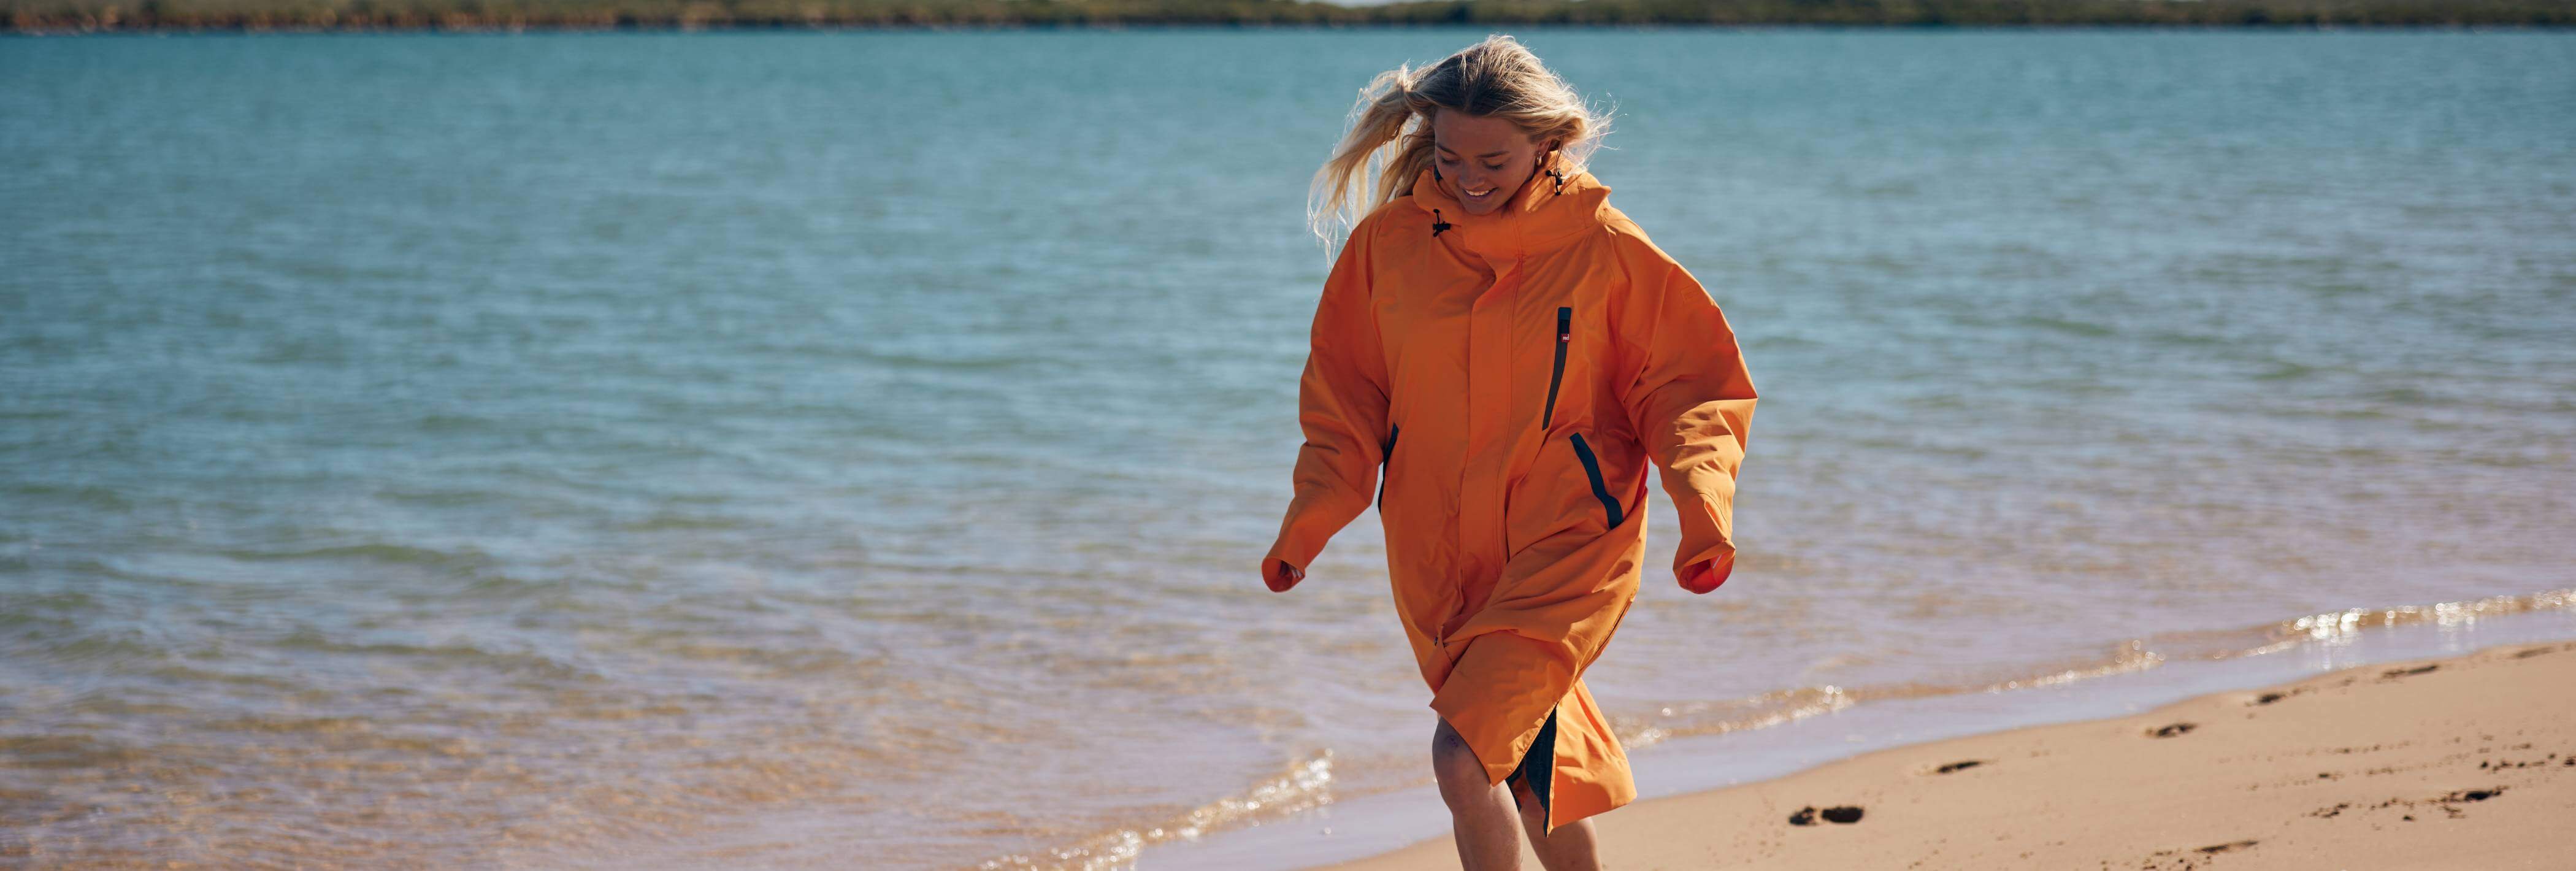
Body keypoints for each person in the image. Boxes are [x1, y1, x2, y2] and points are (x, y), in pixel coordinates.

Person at [1259, 34, 1757, 871]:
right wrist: (1310, 521)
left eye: (1492, 158)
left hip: (1569, 545)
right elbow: (1346, 399)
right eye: (1449, 157)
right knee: (1530, 772)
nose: (1468, 177)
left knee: (1461, 757)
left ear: (1548, 142)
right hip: (1437, 552)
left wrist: (1703, 513)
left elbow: (1690, 387)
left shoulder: (1606, 250)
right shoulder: (1388, 248)